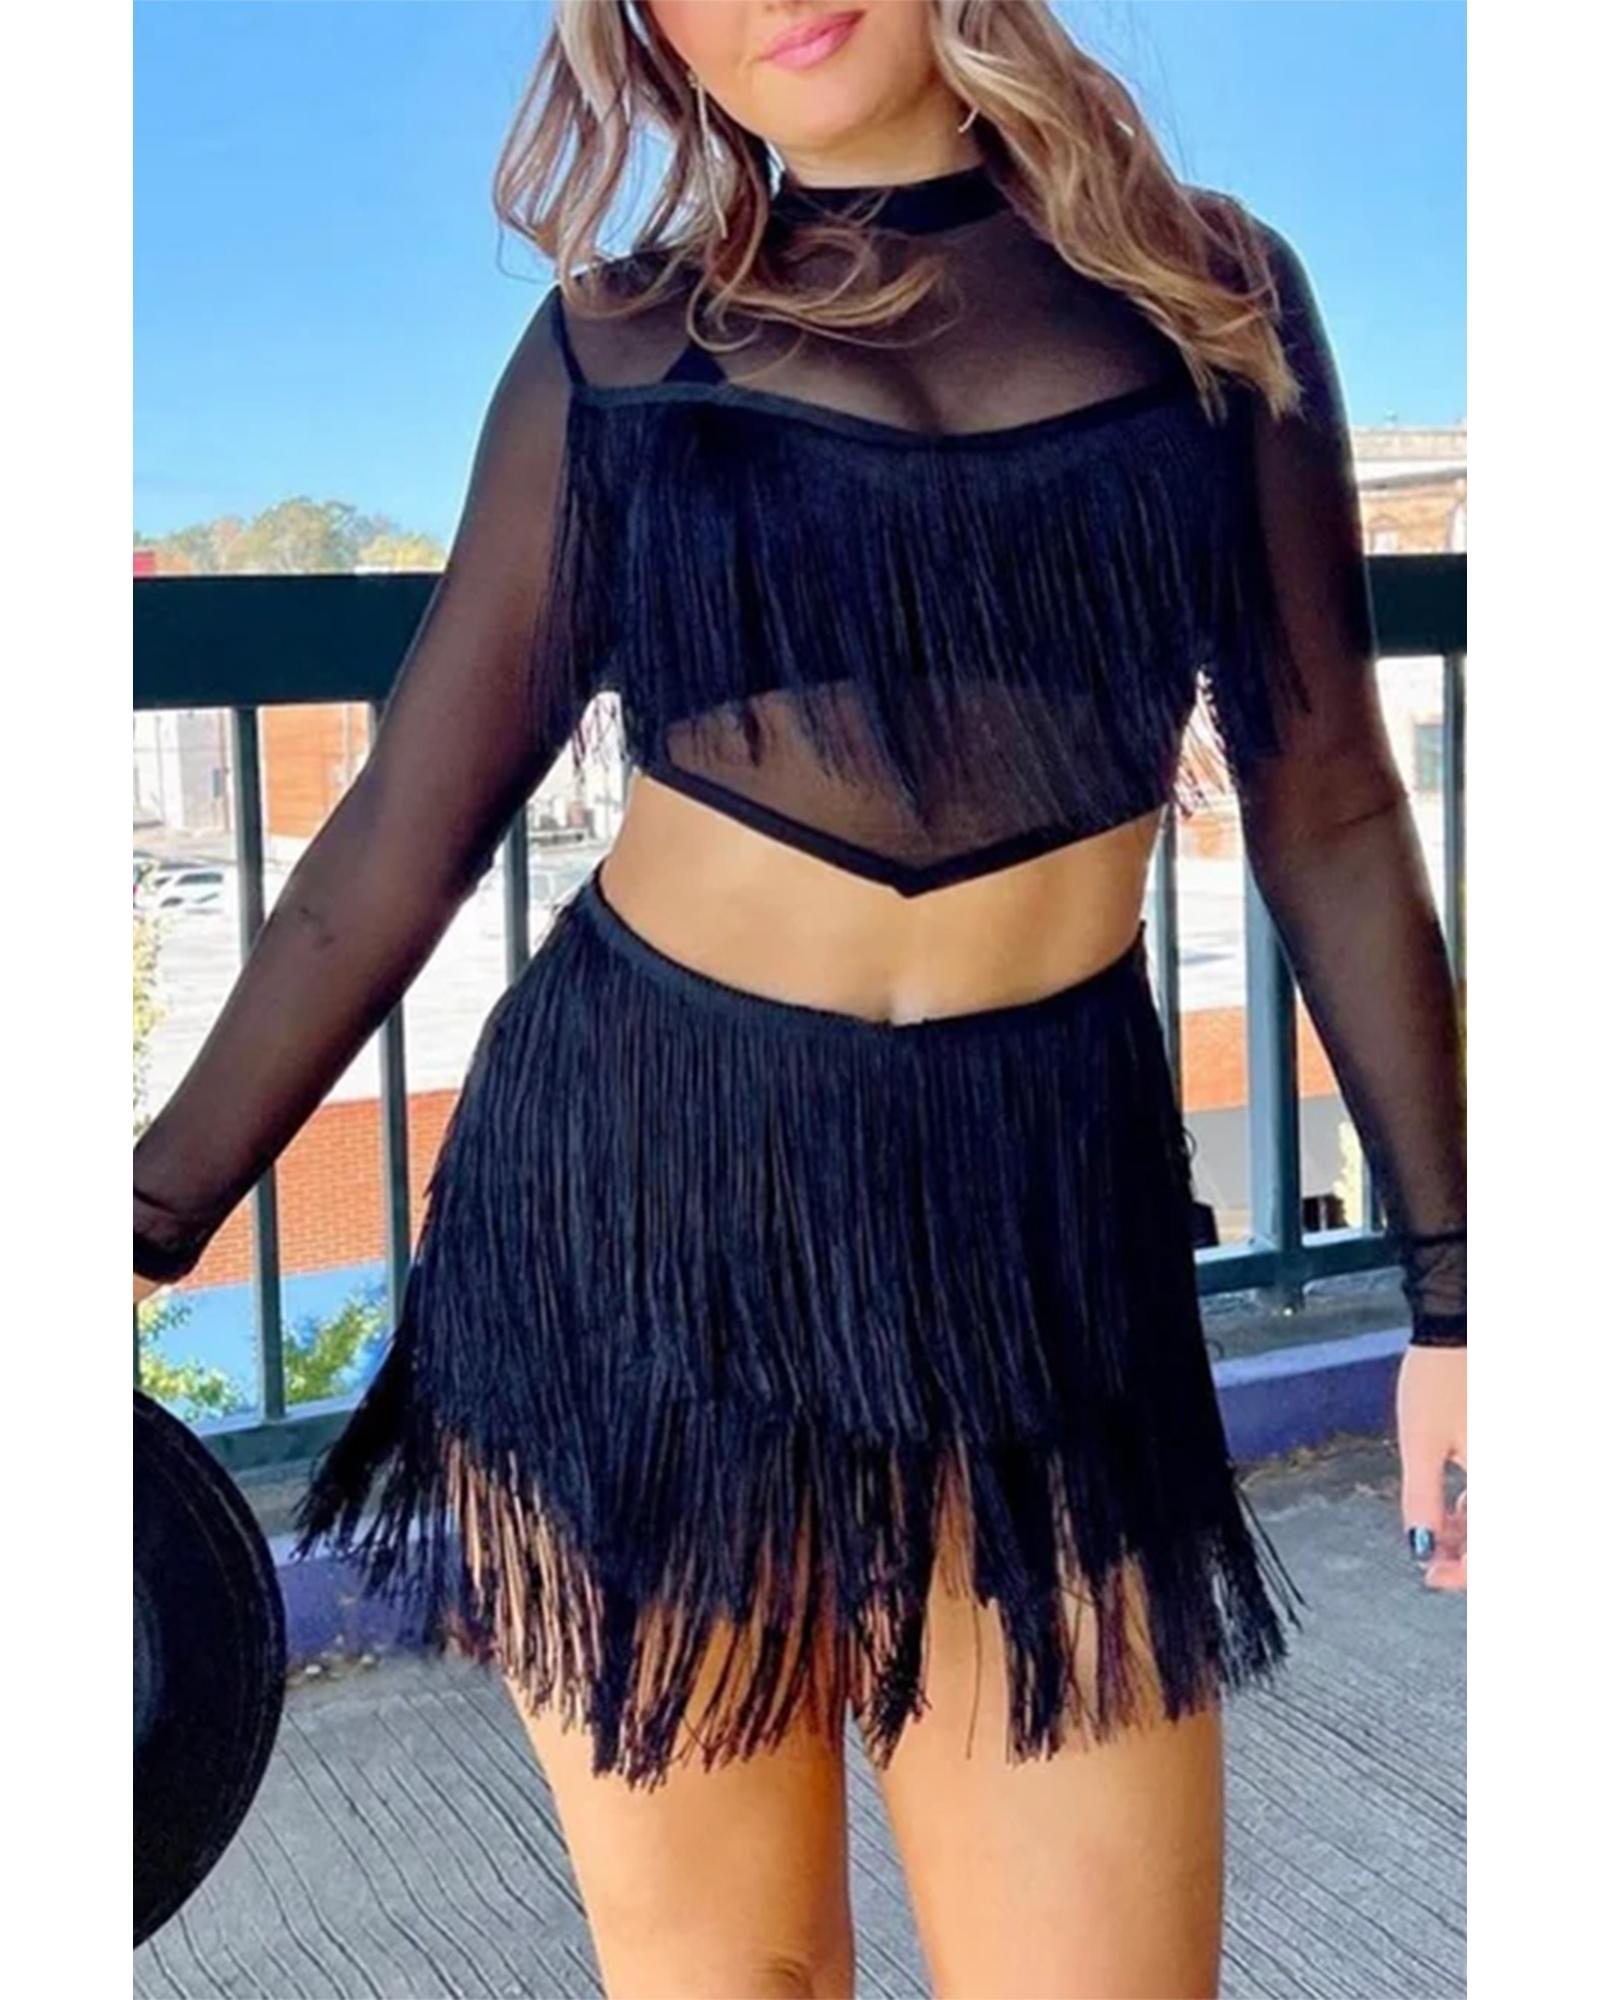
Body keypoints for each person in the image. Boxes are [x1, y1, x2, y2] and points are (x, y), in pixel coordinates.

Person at [131, 4, 1467, 1994]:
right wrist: (134, 1223)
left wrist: (1464, 1299)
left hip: (1039, 1247)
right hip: (637, 1221)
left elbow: (1333, 804)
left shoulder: (1201, 289)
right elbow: (397, 836)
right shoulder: (616, 346)